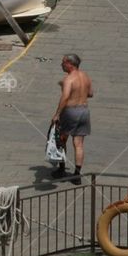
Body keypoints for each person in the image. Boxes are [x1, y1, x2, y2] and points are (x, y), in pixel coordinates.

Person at [51, 53, 93, 183]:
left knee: (61, 140)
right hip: (84, 111)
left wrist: (57, 114)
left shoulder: (68, 79)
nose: (61, 64)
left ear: (70, 64)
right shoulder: (85, 76)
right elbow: (90, 93)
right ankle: (77, 175)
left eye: (63, 62)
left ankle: (61, 169)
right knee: (79, 144)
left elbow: (65, 98)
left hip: (70, 112)